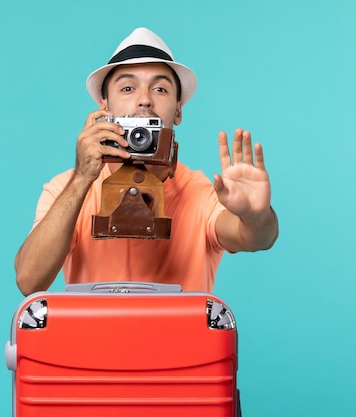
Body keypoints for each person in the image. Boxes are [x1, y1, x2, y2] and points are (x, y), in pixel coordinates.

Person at [14, 27, 279, 296]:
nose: (144, 100)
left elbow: (256, 237)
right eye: (128, 88)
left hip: (179, 338)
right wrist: (82, 178)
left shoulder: (199, 193)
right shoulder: (67, 188)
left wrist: (256, 215)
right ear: (105, 107)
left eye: (160, 89)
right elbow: (29, 280)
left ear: (177, 111)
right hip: (92, 338)